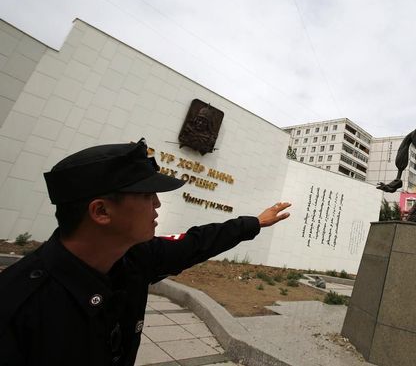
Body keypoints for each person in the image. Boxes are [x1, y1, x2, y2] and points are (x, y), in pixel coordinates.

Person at [0, 138, 291, 365]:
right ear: (101, 211)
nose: (157, 205)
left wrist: (255, 223)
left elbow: (197, 242)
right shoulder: (16, 307)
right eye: (146, 196)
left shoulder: (135, 258)